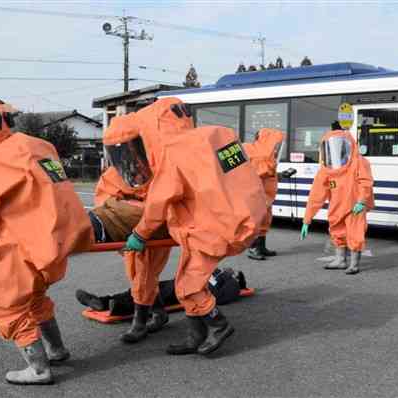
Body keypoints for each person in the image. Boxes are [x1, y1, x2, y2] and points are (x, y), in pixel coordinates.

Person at [0, 101, 93, 385]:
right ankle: (56, 349)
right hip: (51, 243)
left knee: (7, 306)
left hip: (18, 246)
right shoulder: (37, 146)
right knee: (35, 298)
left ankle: (39, 369)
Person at [122, 124, 268, 356]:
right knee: (185, 281)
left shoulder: (172, 152)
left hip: (211, 228)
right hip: (233, 219)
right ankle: (195, 335)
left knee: (189, 287)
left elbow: (158, 203)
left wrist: (139, 234)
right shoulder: (209, 138)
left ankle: (219, 325)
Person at [98, 98, 194, 345]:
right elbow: (104, 199)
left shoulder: (160, 166)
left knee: (144, 272)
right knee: (140, 273)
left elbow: (162, 202)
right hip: (138, 228)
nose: (126, 157)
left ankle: (140, 322)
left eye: (130, 149)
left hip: (153, 227)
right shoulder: (115, 173)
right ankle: (158, 312)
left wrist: (136, 215)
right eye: (118, 151)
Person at [300, 130, 374, 274]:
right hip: (337, 207)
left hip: (355, 207)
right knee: (337, 231)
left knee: (355, 234)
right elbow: (316, 196)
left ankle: (354, 264)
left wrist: (362, 201)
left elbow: (365, 183)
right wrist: (307, 220)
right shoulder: (326, 170)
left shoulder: (359, 162)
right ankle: (340, 260)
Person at [76, 268, 246, 316]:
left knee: (154, 295)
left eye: (235, 272)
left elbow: (220, 298)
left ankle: (117, 306)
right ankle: (102, 301)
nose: (232, 269)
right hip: (180, 282)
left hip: (189, 291)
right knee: (146, 288)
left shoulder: (233, 285)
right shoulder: (217, 272)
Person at [243, 128, 286, 261]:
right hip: (255, 193)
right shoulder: (249, 150)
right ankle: (253, 248)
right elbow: (256, 172)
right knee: (255, 220)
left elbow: (268, 174)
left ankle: (261, 247)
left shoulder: (268, 155)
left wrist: (280, 175)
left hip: (267, 194)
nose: (275, 147)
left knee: (265, 220)